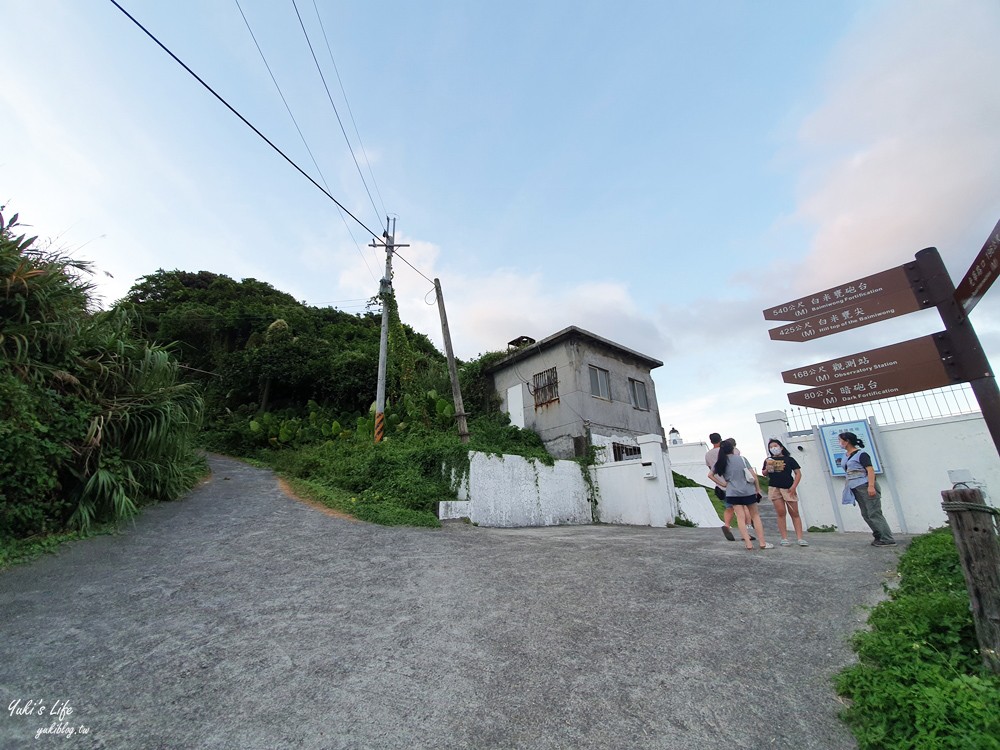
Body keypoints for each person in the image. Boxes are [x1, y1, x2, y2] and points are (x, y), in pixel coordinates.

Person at [709, 439, 773, 550]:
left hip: (732, 492)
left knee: (740, 517)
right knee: (755, 516)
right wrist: (757, 489)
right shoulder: (742, 459)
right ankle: (762, 542)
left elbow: (710, 475)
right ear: (733, 448)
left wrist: (723, 484)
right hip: (747, 491)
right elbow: (753, 475)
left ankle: (748, 544)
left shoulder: (721, 462)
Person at [838, 432, 896, 547]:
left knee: (874, 513)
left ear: (847, 441)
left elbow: (870, 470)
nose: (839, 443)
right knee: (866, 514)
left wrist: (871, 486)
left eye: (840, 440)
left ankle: (887, 538)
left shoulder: (861, 454)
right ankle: (878, 535)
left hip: (865, 485)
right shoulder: (846, 455)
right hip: (855, 487)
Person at [705, 433, 753, 542]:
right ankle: (746, 533)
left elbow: (710, 469)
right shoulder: (731, 451)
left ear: (711, 441)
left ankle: (726, 525)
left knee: (729, 508)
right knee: (743, 508)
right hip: (735, 484)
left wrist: (720, 483)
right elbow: (739, 462)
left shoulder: (708, 455)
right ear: (720, 439)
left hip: (721, 486)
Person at [761, 438, 807, 547]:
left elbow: (798, 473)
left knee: (794, 513)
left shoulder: (789, 459)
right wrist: (767, 468)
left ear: (781, 447)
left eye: (775, 446)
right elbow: (764, 473)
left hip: (788, 488)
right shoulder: (768, 459)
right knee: (781, 513)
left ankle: (800, 538)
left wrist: (794, 486)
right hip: (774, 488)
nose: (774, 448)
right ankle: (784, 538)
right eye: (771, 447)